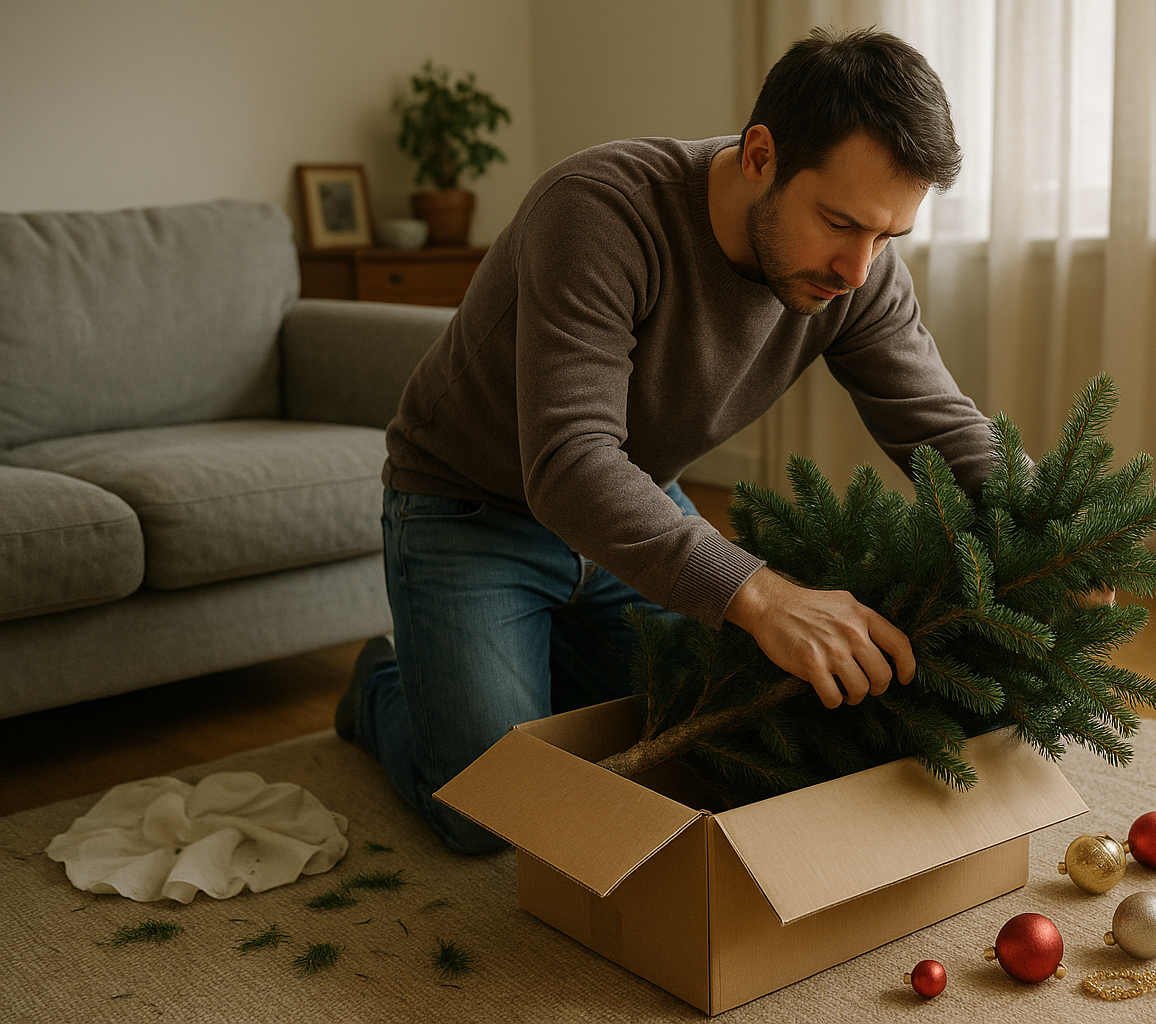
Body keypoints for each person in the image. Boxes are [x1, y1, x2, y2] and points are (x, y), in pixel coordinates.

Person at [337, 27, 1007, 853]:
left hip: (637, 503)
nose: (857, 270)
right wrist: (763, 596)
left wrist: (1059, 524)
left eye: (886, 237)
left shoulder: (857, 275)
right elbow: (571, 464)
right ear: (759, 155)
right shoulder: (597, 211)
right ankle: (382, 684)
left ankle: (526, 665)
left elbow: (939, 423)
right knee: (489, 816)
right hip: (470, 510)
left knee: (716, 741)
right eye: (839, 223)